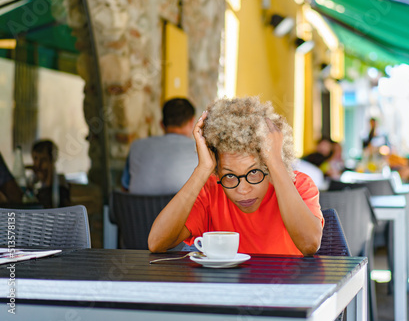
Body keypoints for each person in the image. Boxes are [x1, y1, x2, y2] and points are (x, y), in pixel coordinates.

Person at [148, 96, 324, 256]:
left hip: (287, 289)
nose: (243, 190)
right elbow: (157, 243)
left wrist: (277, 163)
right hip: (226, 289)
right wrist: (202, 169)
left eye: (254, 172)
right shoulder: (211, 189)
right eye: (230, 176)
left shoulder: (299, 184)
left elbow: (309, 244)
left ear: (269, 165)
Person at [121, 97, 199, 195]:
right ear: (192, 122)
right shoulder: (200, 150)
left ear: (161, 124)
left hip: (139, 209)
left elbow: (125, 188)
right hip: (183, 209)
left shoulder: (136, 146)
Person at [31, 140, 71, 208]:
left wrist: (49, 176)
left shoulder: (60, 182)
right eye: (35, 159)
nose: (38, 164)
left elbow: (49, 203)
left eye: (43, 160)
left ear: (52, 161)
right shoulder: (33, 181)